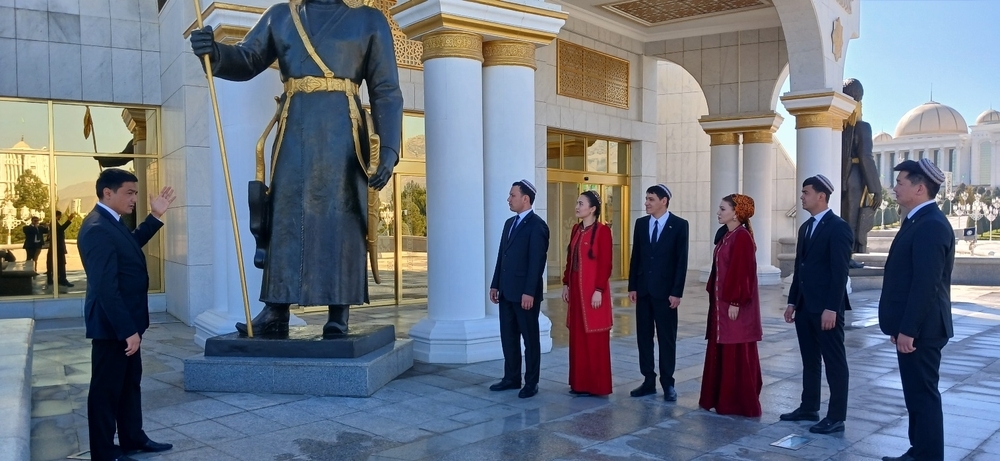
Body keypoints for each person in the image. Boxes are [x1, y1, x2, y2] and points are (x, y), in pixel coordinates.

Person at [190, 0, 403, 336]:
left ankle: (338, 313)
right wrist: (214, 53)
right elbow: (248, 58)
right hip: (294, 127)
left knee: (341, 217)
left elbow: (386, 90)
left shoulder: (369, 21)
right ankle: (276, 309)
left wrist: (389, 148)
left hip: (342, 131)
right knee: (285, 214)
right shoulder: (280, 16)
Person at [78, 168, 176, 461]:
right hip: (112, 328)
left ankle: (133, 437)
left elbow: (129, 245)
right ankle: (104, 452)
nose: (135, 198)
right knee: (106, 390)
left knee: (129, 384)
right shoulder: (96, 227)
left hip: (126, 324)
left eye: (135, 193)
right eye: (129, 193)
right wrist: (126, 330)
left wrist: (155, 216)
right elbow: (105, 287)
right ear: (108, 193)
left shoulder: (112, 222)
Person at [878, 159, 954, 461]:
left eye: (901, 183)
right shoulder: (917, 221)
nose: (895, 188)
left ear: (920, 188)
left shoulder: (931, 225)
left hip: (923, 330)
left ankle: (928, 456)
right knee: (915, 396)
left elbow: (926, 284)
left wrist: (909, 329)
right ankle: (919, 451)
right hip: (913, 328)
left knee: (923, 396)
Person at [781, 175, 853, 434]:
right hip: (804, 308)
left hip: (826, 310)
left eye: (806, 192)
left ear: (821, 196)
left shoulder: (838, 227)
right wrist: (792, 302)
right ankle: (809, 407)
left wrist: (832, 308)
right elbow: (800, 268)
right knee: (810, 360)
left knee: (834, 362)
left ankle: (836, 417)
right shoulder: (805, 228)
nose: (802, 196)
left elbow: (839, 272)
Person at [699, 193, 763, 417]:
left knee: (736, 349)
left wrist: (735, 301)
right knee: (723, 348)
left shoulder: (742, 237)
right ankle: (719, 397)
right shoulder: (728, 235)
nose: (718, 212)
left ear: (736, 212)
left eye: (723, 208)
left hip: (735, 306)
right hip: (721, 305)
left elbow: (742, 272)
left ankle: (736, 402)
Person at [628, 184, 689, 401]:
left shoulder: (679, 225)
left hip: (666, 294)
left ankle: (668, 383)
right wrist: (632, 286)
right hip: (643, 291)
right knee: (644, 338)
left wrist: (676, 292)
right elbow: (636, 257)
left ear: (664, 201)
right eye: (646, 198)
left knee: (666, 339)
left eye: (651, 199)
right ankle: (648, 380)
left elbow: (681, 261)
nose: (646, 203)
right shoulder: (641, 224)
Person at [489, 180, 549, 399]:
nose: (508, 199)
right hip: (506, 291)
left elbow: (537, 263)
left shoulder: (537, 226)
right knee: (508, 337)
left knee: (530, 340)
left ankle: (531, 382)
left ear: (525, 198)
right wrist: (495, 283)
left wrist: (530, 292)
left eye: (512, 195)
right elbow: (501, 256)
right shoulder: (508, 224)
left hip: (525, 295)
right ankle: (511, 378)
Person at [561, 190, 613, 396]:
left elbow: (605, 264)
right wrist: (565, 283)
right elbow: (569, 259)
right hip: (576, 291)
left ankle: (597, 385)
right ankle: (579, 383)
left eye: (581, 203)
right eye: (577, 202)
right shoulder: (576, 229)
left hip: (593, 292)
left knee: (595, 338)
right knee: (578, 337)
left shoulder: (602, 232)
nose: (577, 206)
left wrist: (599, 289)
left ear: (592, 209)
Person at [842, 78, 882, 266]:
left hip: (839, 175)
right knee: (851, 218)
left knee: (841, 215)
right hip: (855, 178)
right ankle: (847, 256)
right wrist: (876, 188)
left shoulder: (834, 128)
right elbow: (866, 157)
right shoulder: (862, 127)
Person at [45, 211, 77, 287]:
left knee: (58, 264)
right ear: (57, 216)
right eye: (60, 216)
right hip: (58, 247)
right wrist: (69, 220)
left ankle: (56, 279)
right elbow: (61, 229)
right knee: (61, 263)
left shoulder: (53, 223)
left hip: (56, 247)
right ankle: (62, 279)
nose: (60, 218)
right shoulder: (54, 223)